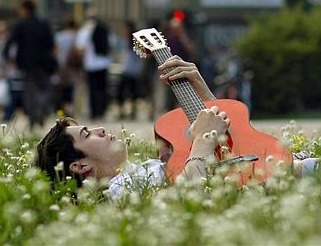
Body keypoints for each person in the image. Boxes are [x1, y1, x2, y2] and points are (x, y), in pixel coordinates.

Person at [36, 56, 230, 200]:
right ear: (80, 166)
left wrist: (200, 89)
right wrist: (203, 140)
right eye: (87, 135)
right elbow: (187, 196)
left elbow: (231, 147)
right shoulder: (119, 191)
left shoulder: (145, 171)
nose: (101, 129)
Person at [4, 0, 56, 129]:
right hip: (43, 62)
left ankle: (33, 116)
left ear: (24, 9)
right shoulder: (43, 23)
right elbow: (51, 44)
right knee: (46, 88)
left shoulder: (21, 24)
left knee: (29, 91)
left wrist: (7, 57)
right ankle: (41, 110)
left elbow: (11, 41)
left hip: (26, 62)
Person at [75, 10, 112, 120]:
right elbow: (111, 45)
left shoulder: (85, 30)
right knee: (102, 89)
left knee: (92, 89)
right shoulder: (105, 29)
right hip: (104, 63)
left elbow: (79, 48)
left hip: (90, 65)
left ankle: (94, 112)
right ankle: (102, 111)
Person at [116, 21, 143, 120]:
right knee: (121, 92)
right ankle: (122, 111)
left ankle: (133, 112)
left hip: (134, 71)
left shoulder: (136, 42)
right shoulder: (123, 41)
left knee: (134, 93)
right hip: (125, 70)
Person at [54, 16, 80, 117]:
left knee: (62, 90)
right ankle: (72, 110)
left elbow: (55, 51)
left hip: (61, 67)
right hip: (73, 67)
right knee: (73, 89)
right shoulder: (77, 36)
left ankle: (62, 110)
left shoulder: (59, 36)